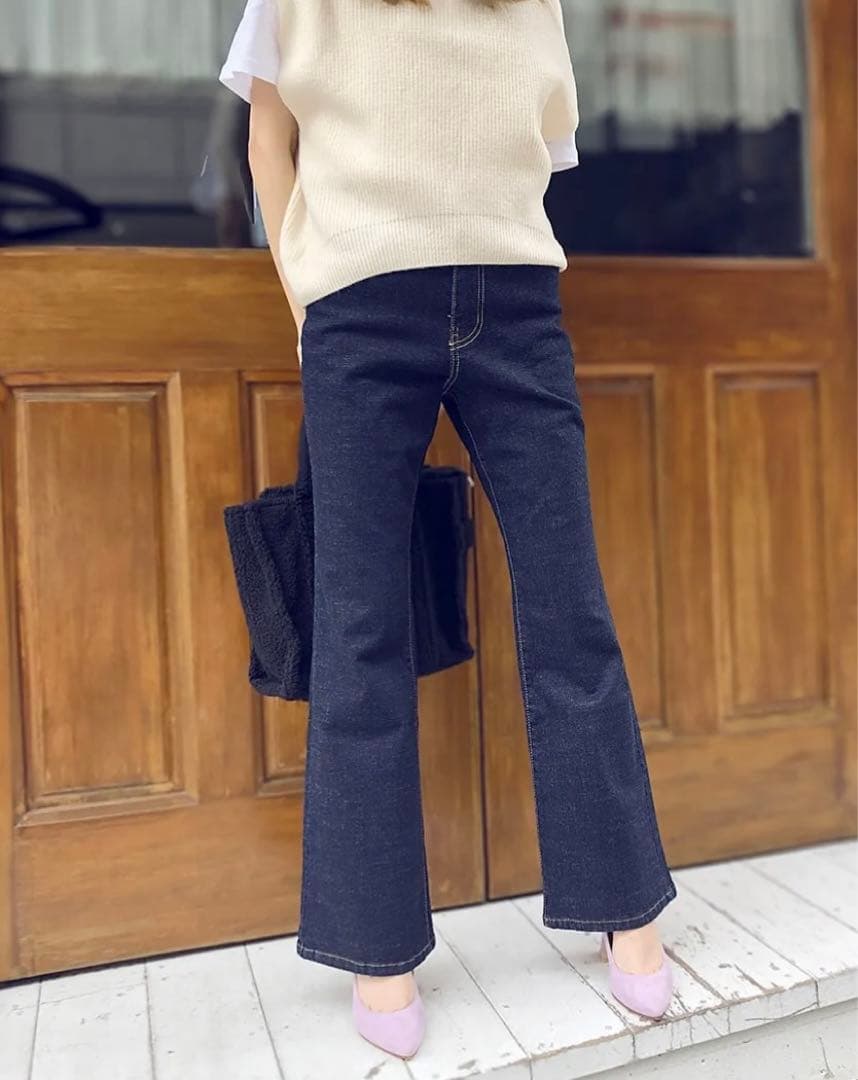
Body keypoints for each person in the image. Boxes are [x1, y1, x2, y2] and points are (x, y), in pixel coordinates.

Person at [220, 0, 677, 1059]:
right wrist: (305, 304)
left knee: (570, 605)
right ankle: (377, 947)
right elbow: (265, 140)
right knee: (360, 627)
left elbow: (538, 148)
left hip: (517, 307)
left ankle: (628, 904)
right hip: (359, 312)